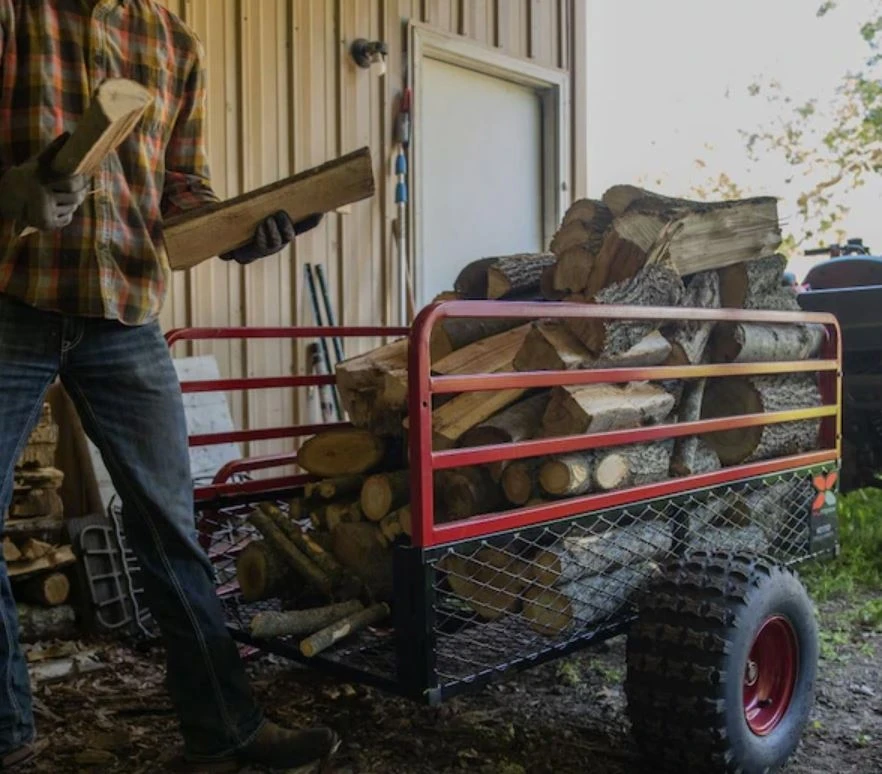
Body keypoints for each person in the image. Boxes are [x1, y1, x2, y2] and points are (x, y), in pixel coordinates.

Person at [0, 1, 338, 770]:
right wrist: (13, 187)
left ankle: (224, 733)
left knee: (171, 530)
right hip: (10, 296)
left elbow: (183, 187)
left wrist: (238, 231)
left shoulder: (172, 40)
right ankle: (6, 738)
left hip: (125, 311)